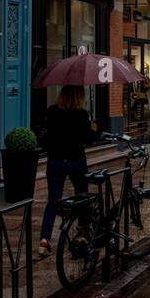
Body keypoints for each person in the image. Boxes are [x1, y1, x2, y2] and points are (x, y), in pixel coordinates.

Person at [37, 85, 97, 259]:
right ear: (79, 96)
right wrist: (94, 130)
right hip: (76, 162)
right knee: (83, 197)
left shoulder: (52, 111)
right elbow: (88, 139)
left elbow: (46, 137)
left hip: (55, 162)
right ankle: (83, 235)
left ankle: (44, 239)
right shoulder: (82, 114)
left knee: (53, 201)